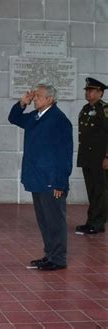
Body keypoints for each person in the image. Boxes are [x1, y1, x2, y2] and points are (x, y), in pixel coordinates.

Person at [8, 83, 73, 271]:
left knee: (55, 221)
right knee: (44, 220)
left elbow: (65, 154)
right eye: (34, 96)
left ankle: (58, 258)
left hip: (52, 181)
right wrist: (23, 102)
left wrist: (61, 182)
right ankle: (49, 254)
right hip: (37, 179)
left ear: (50, 99)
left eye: (38, 96)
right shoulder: (36, 116)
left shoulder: (59, 120)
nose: (35, 98)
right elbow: (14, 118)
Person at [75, 77, 108, 235]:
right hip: (88, 157)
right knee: (92, 190)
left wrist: (107, 157)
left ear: (100, 93)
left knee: (100, 190)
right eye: (87, 90)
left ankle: (99, 222)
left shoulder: (105, 109)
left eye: (91, 90)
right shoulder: (86, 109)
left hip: (100, 157)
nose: (88, 93)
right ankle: (92, 221)